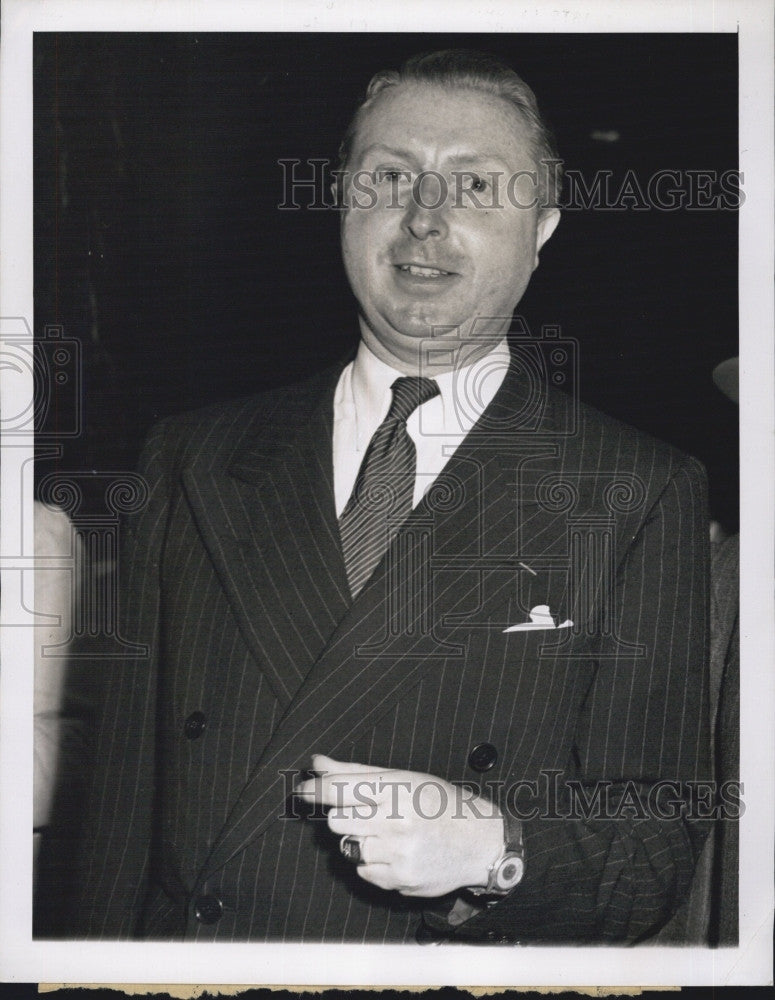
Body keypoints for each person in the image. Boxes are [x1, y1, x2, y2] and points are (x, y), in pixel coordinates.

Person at [76, 50, 710, 944]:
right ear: (341, 202)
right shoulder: (193, 454)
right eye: (388, 177)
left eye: (477, 186)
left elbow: (657, 848)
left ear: (543, 228)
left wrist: (495, 849)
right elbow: (115, 821)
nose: (424, 218)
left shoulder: (638, 489)